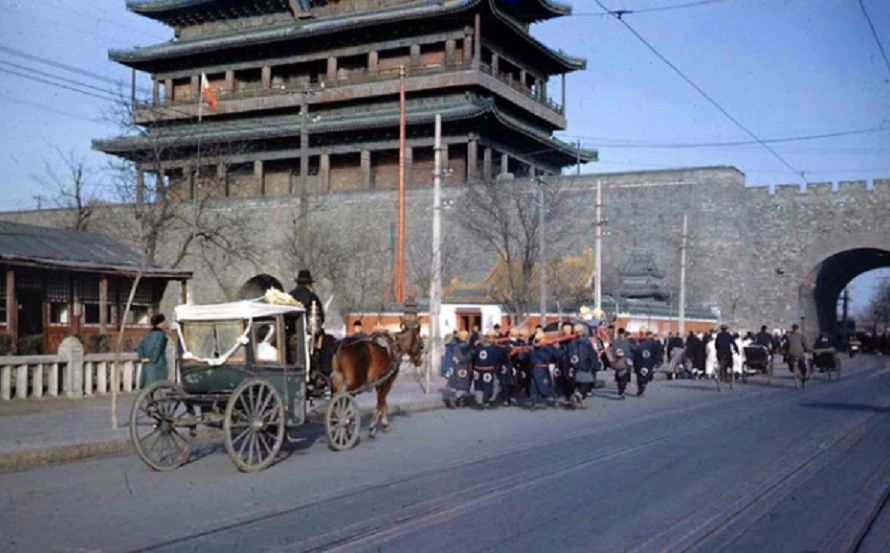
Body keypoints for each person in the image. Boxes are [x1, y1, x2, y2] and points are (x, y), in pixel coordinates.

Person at [567, 323, 599, 407]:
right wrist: (595, 365)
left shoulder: (571, 343)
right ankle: (578, 396)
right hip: (585, 366)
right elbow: (592, 355)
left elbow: (568, 355)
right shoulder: (586, 342)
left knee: (577, 384)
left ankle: (577, 398)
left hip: (574, 367)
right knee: (586, 384)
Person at [472, 330, 504, 409]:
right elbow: (500, 358)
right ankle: (490, 401)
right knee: (493, 384)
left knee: (478, 385)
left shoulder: (478, 348)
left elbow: (473, 357)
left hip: (478, 369)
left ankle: (479, 402)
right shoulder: (494, 348)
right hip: (489, 369)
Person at [137, 313, 168, 387]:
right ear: (161, 323)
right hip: (157, 364)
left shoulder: (147, 334)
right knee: (158, 386)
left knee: (148, 386)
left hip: (146, 364)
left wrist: (142, 358)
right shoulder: (161, 335)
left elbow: (140, 347)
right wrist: (152, 358)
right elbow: (158, 348)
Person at [445, 330, 474, 408]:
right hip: (463, 368)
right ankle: (455, 398)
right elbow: (468, 356)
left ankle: (460, 401)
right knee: (463, 386)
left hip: (455, 367)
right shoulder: (466, 347)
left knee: (458, 385)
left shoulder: (454, 346)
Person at [633, 331, 658, 397]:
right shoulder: (653, 343)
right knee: (646, 376)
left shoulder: (639, 343)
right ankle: (641, 390)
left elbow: (635, 353)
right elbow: (656, 354)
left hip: (639, 362)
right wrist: (656, 362)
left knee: (639, 375)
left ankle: (640, 389)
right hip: (648, 362)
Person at [611, 328, 634, 399]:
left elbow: (612, 352)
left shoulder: (614, 342)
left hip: (617, 361)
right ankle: (621, 391)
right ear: (624, 334)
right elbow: (632, 350)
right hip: (625, 361)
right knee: (624, 377)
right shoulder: (626, 342)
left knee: (619, 375)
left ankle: (620, 389)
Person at [786, 324, 809, 388]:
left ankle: (791, 369)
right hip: (799, 353)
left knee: (789, 360)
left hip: (791, 354)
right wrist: (807, 349)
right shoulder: (801, 336)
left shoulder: (789, 337)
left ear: (792, 329)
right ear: (797, 329)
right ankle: (803, 376)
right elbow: (805, 345)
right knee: (803, 365)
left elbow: (786, 346)